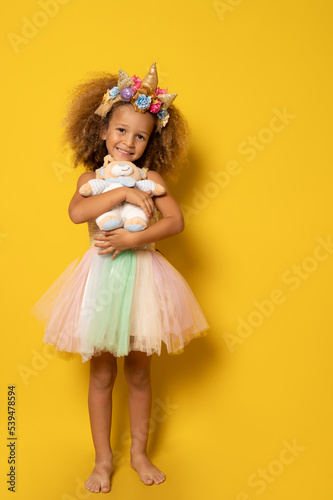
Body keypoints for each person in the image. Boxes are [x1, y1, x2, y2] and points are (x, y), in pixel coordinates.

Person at [31, 63, 208, 493]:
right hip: (100, 284)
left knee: (141, 373)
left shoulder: (152, 179)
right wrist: (124, 193)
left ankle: (140, 454)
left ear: (151, 143)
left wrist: (135, 239)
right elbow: (77, 213)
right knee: (102, 375)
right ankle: (102, 460)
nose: (129, 141)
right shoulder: (91, 180)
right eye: (121, 131)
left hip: (145, 280)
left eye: (140, 135)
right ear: (104, 131)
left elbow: (176, 222)